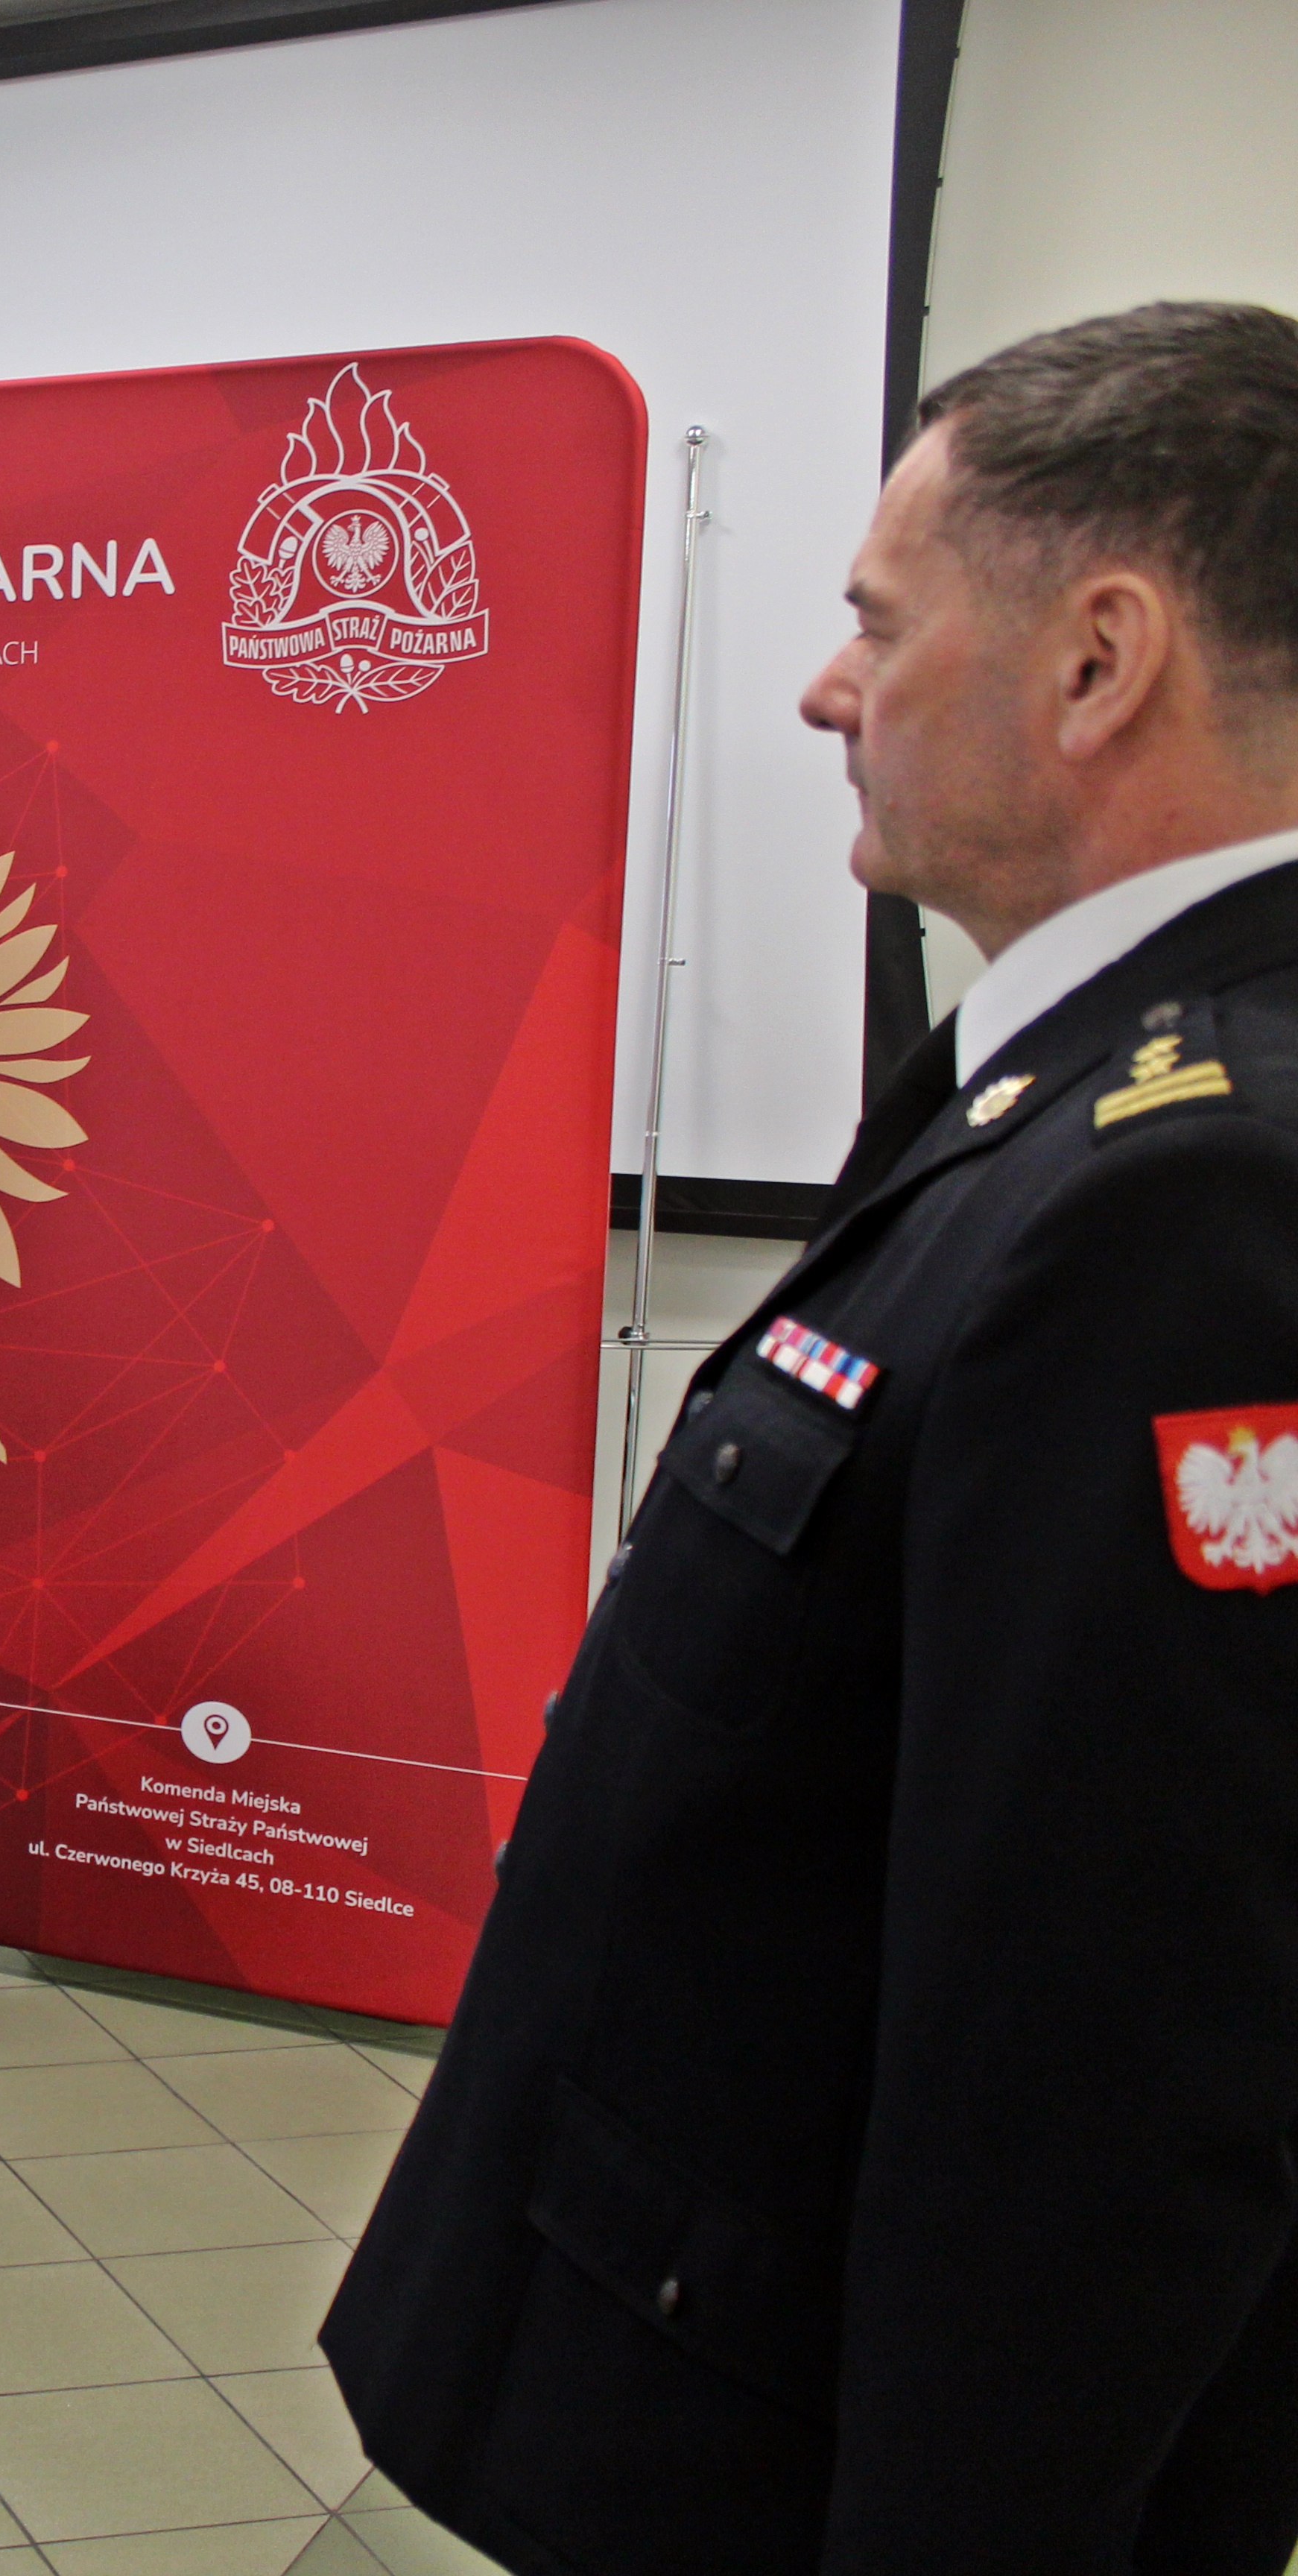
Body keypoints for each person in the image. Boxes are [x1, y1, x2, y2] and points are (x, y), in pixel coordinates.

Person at [323, 302, 1298, 2573]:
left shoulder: (1188, 1190)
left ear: (1099, 662)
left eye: (878, 618)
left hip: (790, 2440)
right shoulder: (1054, 1081)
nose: (824, 690)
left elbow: (1112, 2061)